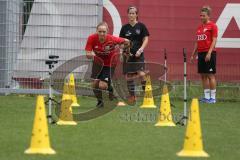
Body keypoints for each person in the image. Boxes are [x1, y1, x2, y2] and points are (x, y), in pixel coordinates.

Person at [85, 22, 130, 107]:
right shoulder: (91, 38)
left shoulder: (112, 39)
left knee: (102, 85)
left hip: (110, 64)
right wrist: (90, 55)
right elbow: (88, 55)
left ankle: (110, 89)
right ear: (96, 31)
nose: (102, 33)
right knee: (94, 85)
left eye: (104, 32)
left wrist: (124, 52)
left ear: (107, 31)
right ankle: (100, 102)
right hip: (97, 64)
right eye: (100, 31)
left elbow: (127, 41)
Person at [119, 6, 150, 105]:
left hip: (138, 55)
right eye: (130, 13)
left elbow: (146, 39)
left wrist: (140, 50)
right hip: (128, 56)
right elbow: (121, 42)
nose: (131, 15)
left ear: (136, 14)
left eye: (133, 13)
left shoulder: (141, 26)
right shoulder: (124, 28)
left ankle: (147, 96)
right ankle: (132, 97)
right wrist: (122, 52)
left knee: (141, 74)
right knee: (129, 76)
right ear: (127, 14)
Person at [190, 6, 218, 104]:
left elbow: (214, 40)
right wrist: (193, 54)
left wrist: (209, 53)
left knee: (210, 75)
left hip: (209, 53)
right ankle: (206, 97)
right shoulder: (199, 27)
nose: (201, 17)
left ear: (208, 16)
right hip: (201, 54)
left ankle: (213, 98)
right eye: (200, 15)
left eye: (203, 15)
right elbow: (197, 42)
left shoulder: (213, 26)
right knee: (203, 76)